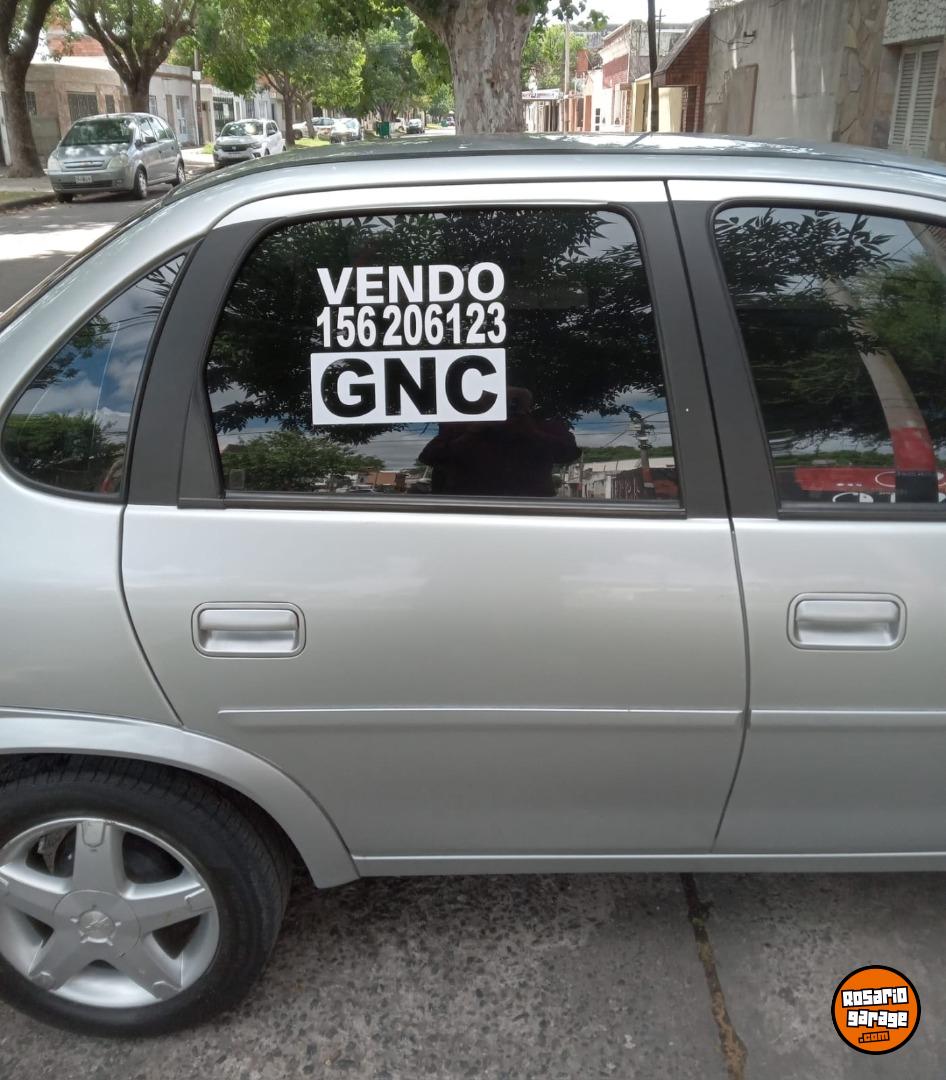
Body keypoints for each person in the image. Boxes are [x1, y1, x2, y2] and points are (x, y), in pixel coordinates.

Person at [419, 387, 578, 497]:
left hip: (533, 508)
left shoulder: (542, 425)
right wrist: (472, 431)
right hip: (466, 507)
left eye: (513, 404)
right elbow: (429, 457)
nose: (505, 409)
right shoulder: (462, 426)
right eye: (494, 402)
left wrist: (532, 432)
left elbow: (569, 454)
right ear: (481, 404)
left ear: (527, 405)